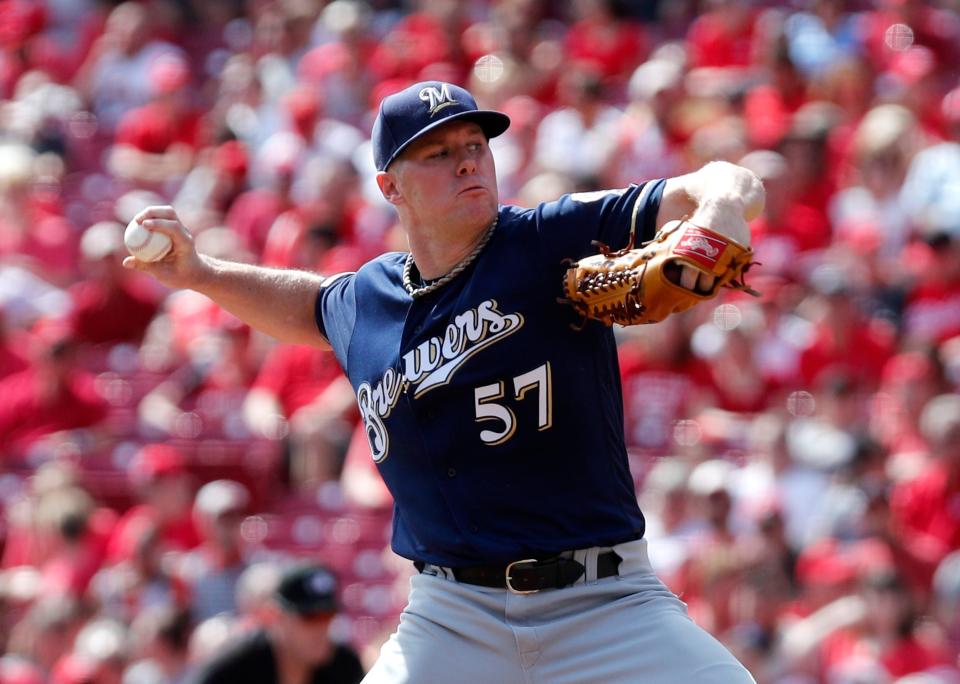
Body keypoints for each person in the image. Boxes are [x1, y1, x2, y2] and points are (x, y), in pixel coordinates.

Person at [124, 80, 764, 682]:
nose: (466, 163)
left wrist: (722, 207)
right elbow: (308, 305)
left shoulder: (544, 240)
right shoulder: (367, 298)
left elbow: (724, 179)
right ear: (389, 186)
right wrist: (201, 273)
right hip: (450, 618)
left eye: (474, 146)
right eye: (436, 153)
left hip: (604, 601)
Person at [187, 563, 364, 684]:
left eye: (328, 615)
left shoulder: (345, 666)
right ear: (275, 616)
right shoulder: (233, 667)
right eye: (310, 617)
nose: (321, 629)